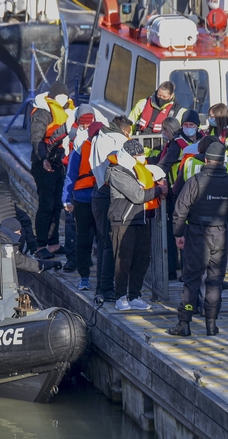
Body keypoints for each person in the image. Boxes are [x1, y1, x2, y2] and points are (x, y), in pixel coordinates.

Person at [168, 142, 228, 336]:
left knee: (191, 280)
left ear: (206, 160)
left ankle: (184, 323)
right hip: (221, 235)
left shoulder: (195, 181)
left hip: (197, 234)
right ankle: (211, 324)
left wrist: (178, 234)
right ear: (223, 162)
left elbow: (180, 210)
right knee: (215, 281)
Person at [107, 139, 168, 310]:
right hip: (123, 221)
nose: (142, 158)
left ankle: (135, 295)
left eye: (142, 154)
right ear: (128, 156)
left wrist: (161, 181)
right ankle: (120, 296)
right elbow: (137, 195)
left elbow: (154, 181)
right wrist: (159, 190)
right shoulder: (116, 172)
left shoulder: (142, 169)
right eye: (138, 155)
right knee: (122, 261)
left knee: (141, 260)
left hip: (141, 219)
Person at [89, 115, 133, 300]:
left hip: (98, 191)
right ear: (124, 130)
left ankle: (101, 286)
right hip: (111, 194)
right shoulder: (119, 141)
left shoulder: (98, 137)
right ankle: (106, 288)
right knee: (110, 244)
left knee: (102, 242)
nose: (130, 136)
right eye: (129, 133)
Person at [30, 81, 75, 260]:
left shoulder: (69, 111)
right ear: (53, 97)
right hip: (44, 163)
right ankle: (41, 245)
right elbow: (36, 138)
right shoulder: (42, 112)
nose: (63, 100)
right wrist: (43, 158)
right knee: (46, 204)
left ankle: (54, 243)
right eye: (59, 96)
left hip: (60, 162)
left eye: (65, 96)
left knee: (57, 204)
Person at [157, 110, 204, 280]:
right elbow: (164, 165)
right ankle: (174, 270)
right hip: (178, 192)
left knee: (195, 233)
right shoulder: (176, 144)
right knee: (177, 231)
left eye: (191, 125)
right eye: (185, 124)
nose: (188, 127)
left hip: (200, 191)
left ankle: (191, 271)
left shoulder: (204, 140)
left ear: (197, 126)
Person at [63, 105, 103, 290]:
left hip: (102, 199)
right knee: (84, 239)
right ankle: (84, 276)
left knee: (103, 240)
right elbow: (71, 176)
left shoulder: (109, 151)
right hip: (83, 200)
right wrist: (66, 199)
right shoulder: (79, 150)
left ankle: (104, 278)